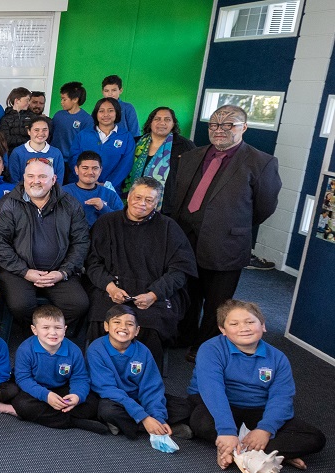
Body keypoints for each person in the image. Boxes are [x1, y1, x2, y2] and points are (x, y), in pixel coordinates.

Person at [162, 105, 282, 360]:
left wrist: (232, 225)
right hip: (186, 240)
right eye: (215, 125)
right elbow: (177, 196)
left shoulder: (261, 162)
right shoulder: (193, 156)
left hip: (226, 243)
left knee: (217, 301)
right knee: (187, 292)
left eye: (229, 125)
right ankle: (184, 335)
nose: (220, 130)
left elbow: (265, 207)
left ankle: (205, 347)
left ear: (244, 127)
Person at [188, 300, 326, 470]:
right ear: (222, 330)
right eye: (234, 324)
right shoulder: (210, 349)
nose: (244, 328)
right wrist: (227, 430)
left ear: (263, 326)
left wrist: (265, 430)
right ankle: (266, 452)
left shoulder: (278, 358)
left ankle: (235, 450)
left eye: (250, 322)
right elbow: (213, 391)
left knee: (314, 438)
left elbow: (281, 397)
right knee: (201, 422)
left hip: (256, 408)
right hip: (219, 404)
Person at [86, 177, 197, 370]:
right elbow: (92, 263)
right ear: (128, 197)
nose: (142, 204)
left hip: (154, 292)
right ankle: (99, 372)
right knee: (102, 317)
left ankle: (145, 377)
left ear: (157, 203)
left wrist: (154, 294)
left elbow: (180, 271)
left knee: (150, 323)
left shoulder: (169, 228)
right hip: (113, 288)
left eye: (149, 200)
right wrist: (110, 287)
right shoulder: (106, 223)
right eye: (138, 197)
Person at [0, 159, 89, 329]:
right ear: (24, 178)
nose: (36, 181)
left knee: (78, 304)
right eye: (31, 176)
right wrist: (25, 271)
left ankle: (53, 333)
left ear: (54, 180)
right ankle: (35, 335)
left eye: (42, 176)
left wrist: (63, 272)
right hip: (18, 271)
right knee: (20, 305)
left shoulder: (70, 204)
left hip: (58, 271)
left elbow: (81, 242)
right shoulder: (8, 204)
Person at [88, 305, 193, 439]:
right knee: (107, 411)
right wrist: (144, 417)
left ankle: (144, 425)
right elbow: (107, 389)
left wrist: (158, 417)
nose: (123, 327)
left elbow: (151, 387)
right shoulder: (96, 349)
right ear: (106, 326)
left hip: (138, 397)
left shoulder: (143, 351)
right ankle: (152, 428)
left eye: (130, 324)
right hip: (113, 399)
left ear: (137, 330)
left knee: (185, 408)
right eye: (117, 322)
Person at [10, 305, 104, 433]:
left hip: (61, 388)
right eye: (46, 328)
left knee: (92, 403)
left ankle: (55, 417)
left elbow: (80, 378)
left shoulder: (74, 350)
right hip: (37, 389)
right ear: (34, 329)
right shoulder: (25, 349)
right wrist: (46, 395)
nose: (53, 332)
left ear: (65, 330)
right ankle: (74, 422)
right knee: (22, 405)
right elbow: (23, 379)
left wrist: (77, 396)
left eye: (58, 328)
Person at [126, 107, 197, 204]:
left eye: (167, 120)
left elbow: (194, 174)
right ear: (150, 122)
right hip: (133, 199)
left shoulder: (185, 146)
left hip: (167, 203)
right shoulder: (135, 142)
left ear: (173, 124)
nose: (162, 123)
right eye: (157, 119)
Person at [69, 97, 136, 192]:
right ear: (96, 113)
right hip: (81, 186)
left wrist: (107, 183)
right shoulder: (83, 135)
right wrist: (87, 180)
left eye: (110, 111)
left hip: (110, 189)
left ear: (117, 113)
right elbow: (74, 158)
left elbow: (126, 164)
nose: (106, 114)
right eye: (101, 111)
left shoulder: (126, 137)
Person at [63, 151, 123, 227]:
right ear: (76, 170)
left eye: (95, 168)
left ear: (100, 171)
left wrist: (103, 208)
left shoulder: (110, 195)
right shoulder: (63, 192)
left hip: (103, 237)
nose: (90, 172)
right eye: (85, 168)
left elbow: (122, 220)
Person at [51, 81, 93, 177]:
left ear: (75, 99)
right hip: (55, 160)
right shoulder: (58, 115)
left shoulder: (86, 119)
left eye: (64, 99)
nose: (61, 102)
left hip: (73, 162)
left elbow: (86, 143)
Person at [8, 116, 65, 184]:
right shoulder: (17, 152)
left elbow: (58, 181)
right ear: (29, 131)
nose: (41, 133)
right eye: (36, 130)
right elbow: (14, 180)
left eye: (45, 130)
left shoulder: (56, 153)